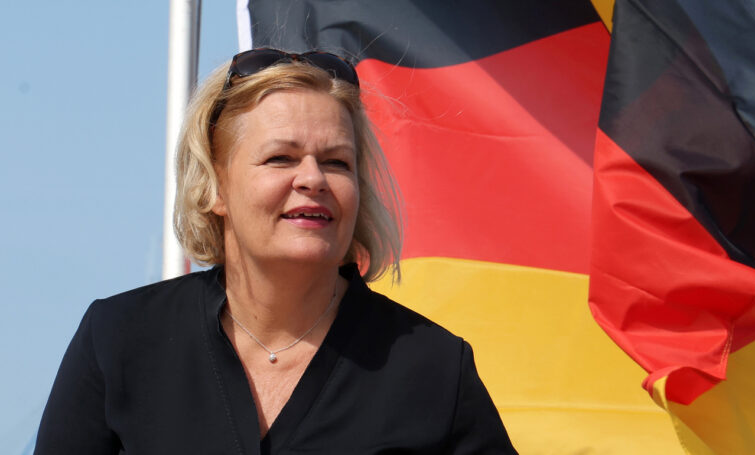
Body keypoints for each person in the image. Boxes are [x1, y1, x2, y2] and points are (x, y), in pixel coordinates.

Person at [35, 48, 516, 454]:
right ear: (214, 187)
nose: (312, 179)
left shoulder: (434, 369)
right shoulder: (118, 341)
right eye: (280, 158)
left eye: (336, 162)